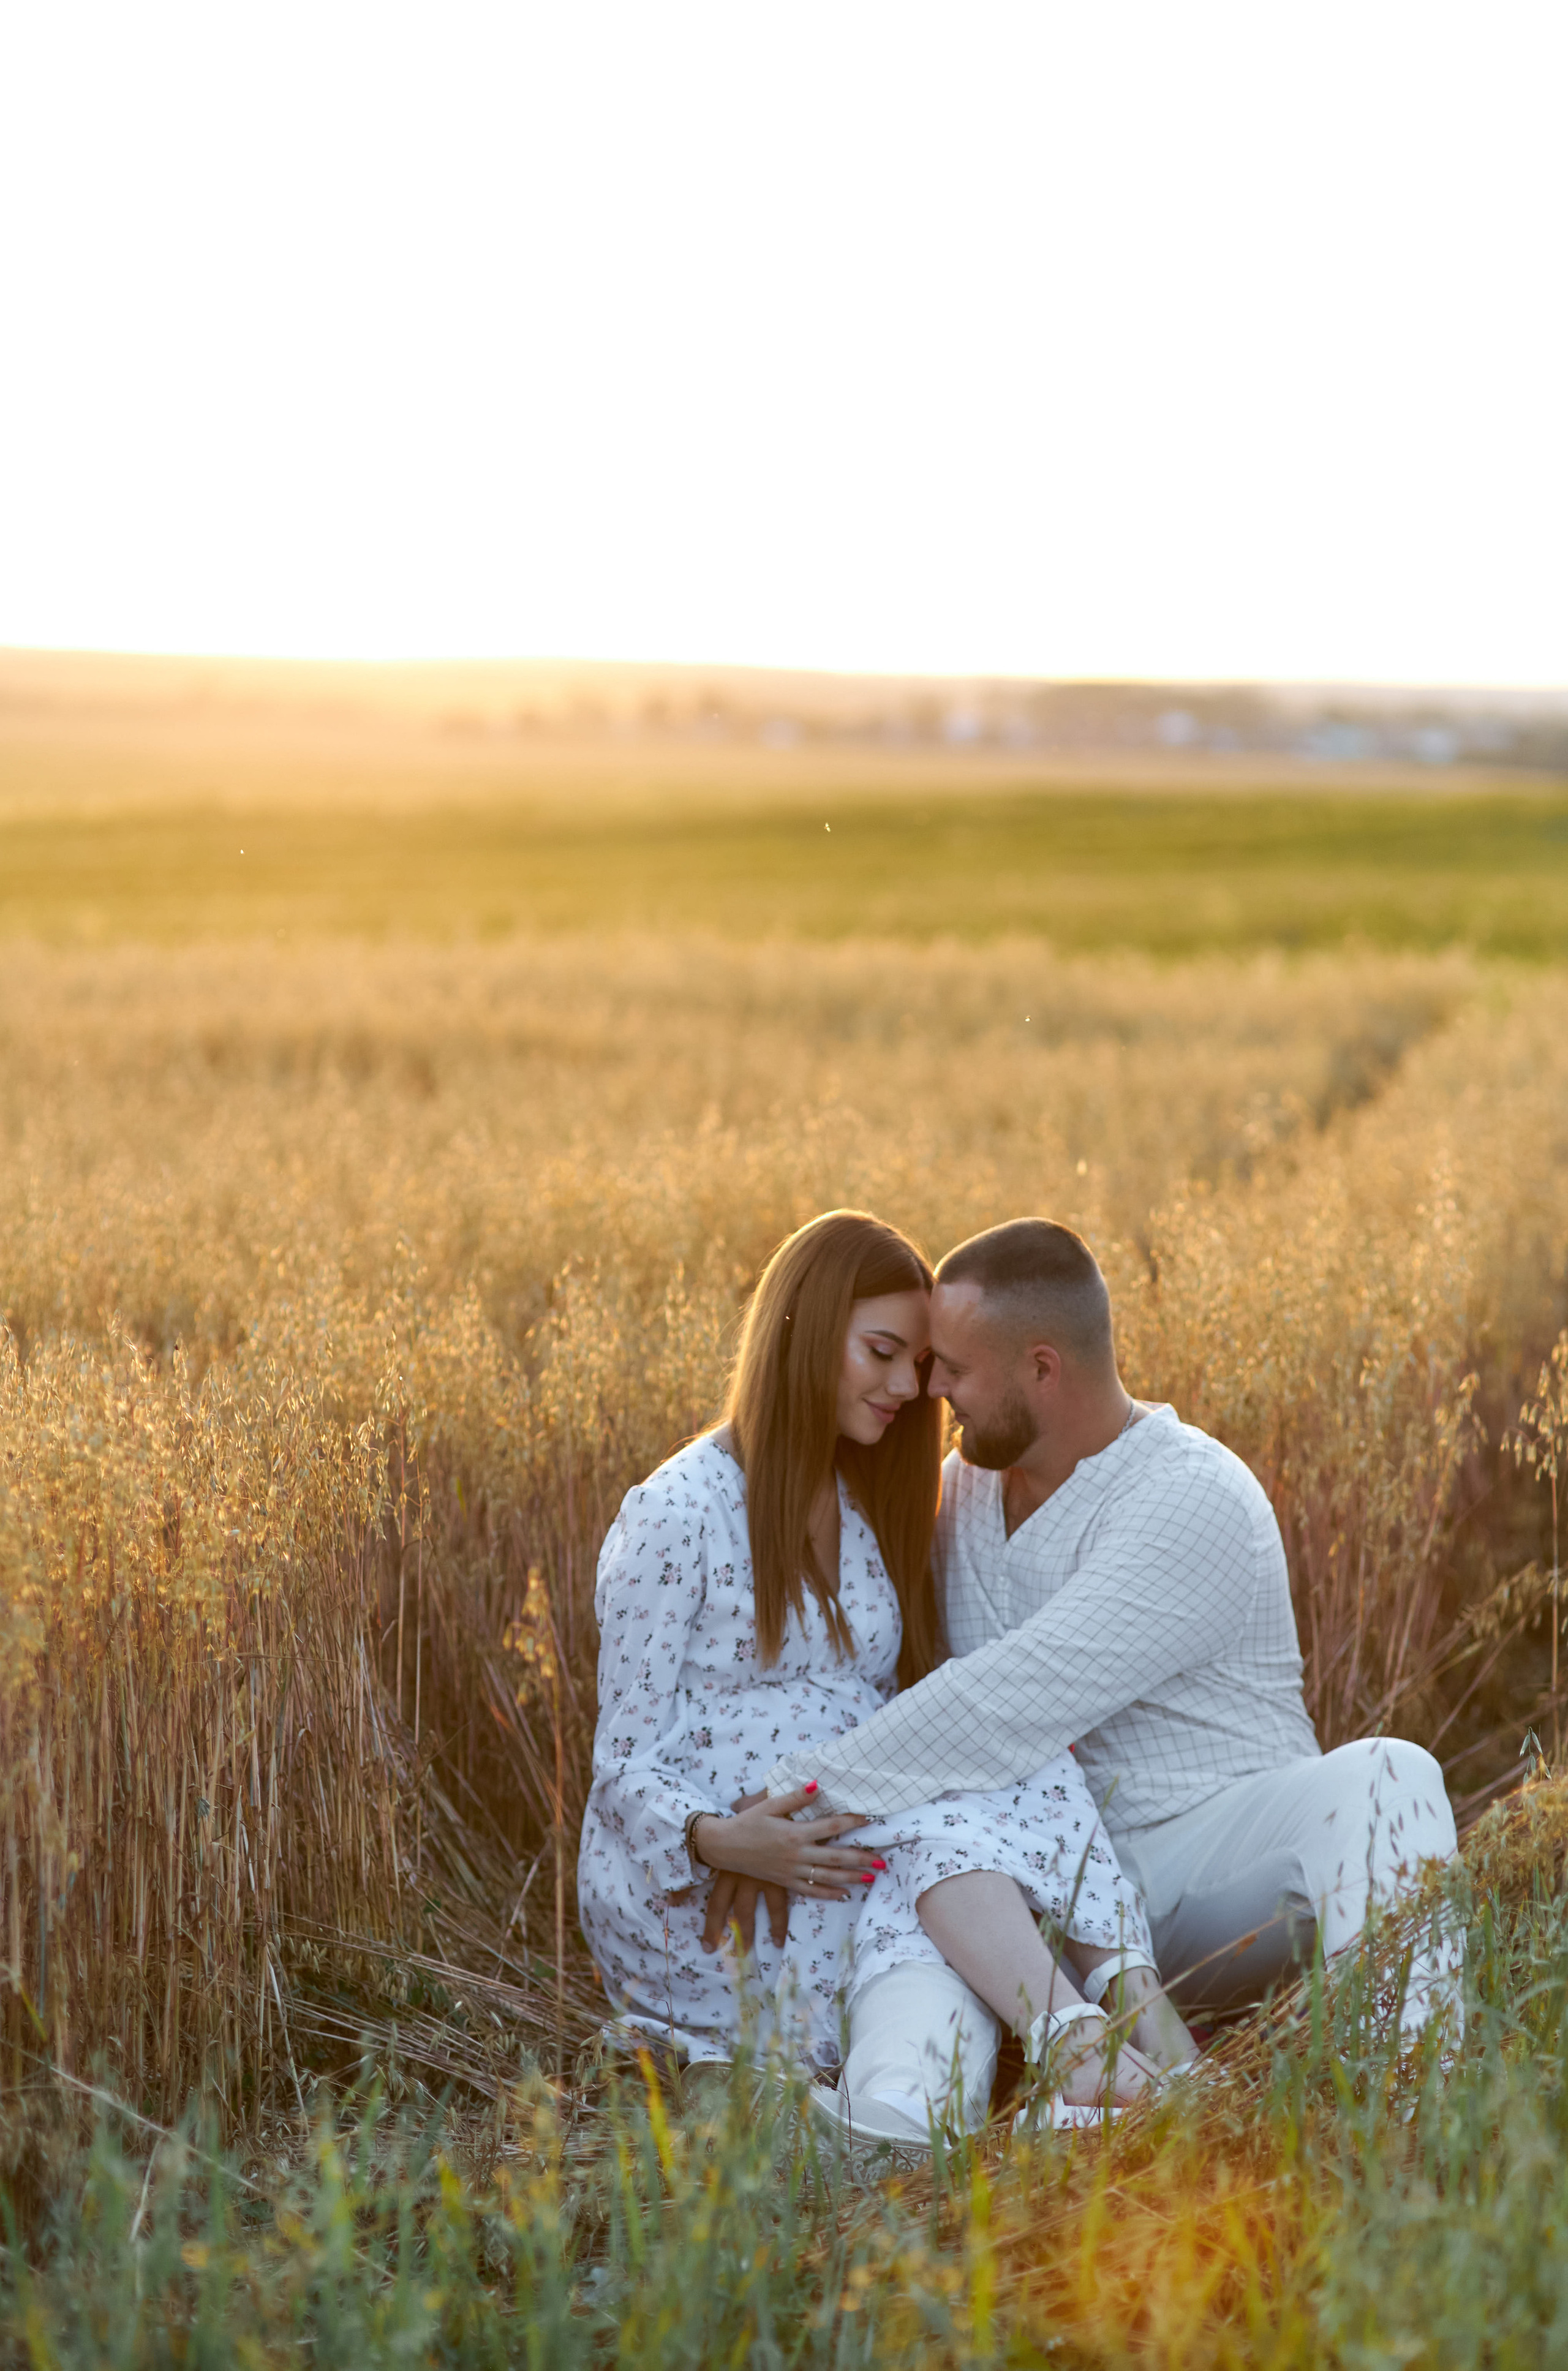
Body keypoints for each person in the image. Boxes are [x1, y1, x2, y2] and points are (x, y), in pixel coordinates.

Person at [762, 1218, 1462, 2127]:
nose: (931, 1391)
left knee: (1390, 1776)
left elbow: (1003, 1704)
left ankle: (1419, 2114)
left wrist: (790, 1800)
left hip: (1201, 1872)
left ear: (1042, 1370)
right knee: (932, 1862)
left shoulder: (1191, 1497)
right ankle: (912, 2128)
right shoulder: (963, 1492)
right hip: (1030, 1894)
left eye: (954, 1370)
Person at [579, 1210, 1189, 2138]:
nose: (911, 1387)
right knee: (984, 1772)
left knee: (1017, 1758)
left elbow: (901, 1703)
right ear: (809, 1331)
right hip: (718, 1893)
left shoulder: (868, 1500)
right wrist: (719, 1839)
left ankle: (1086, 2067)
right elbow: (620, 1766)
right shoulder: (677, 1515)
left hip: (858, 1848)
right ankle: (1126, 2054)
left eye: (919, 1363)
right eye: (883, 1354)